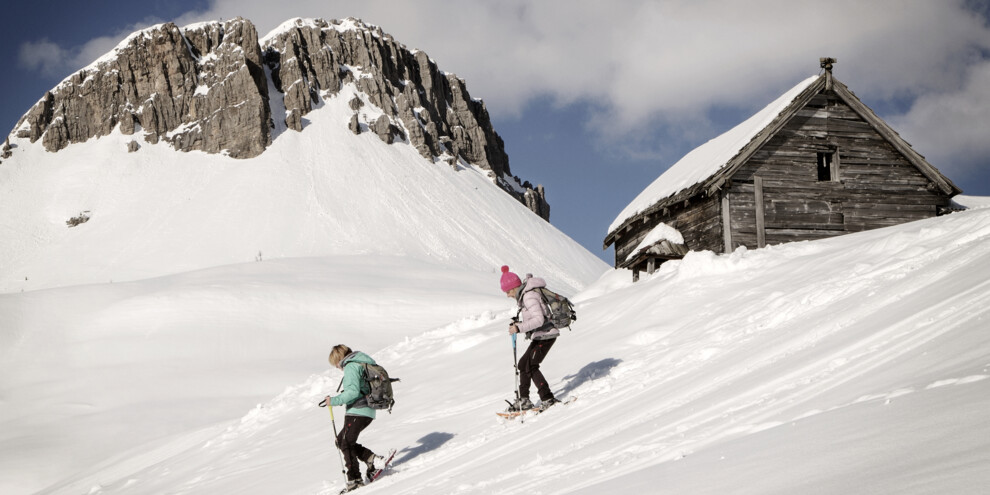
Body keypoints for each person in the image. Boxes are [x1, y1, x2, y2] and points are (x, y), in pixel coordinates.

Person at [501, 265, 561, 412]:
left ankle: (548, 398)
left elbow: (539, 320)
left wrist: (519, 328)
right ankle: (524, 399)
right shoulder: (526, 296)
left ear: (514, 288)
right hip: (541, 334)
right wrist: (519, 324)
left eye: (508, 291)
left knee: (531, 366)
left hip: (546, 334)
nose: (508, 295)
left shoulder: (528, 296)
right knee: (523, 364)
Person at [325, 345, 384, 492]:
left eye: (336, 364)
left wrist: (333, 401)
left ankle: (355, 480)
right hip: (366, 410)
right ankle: (370, 459)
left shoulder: (351, 366)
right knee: (341, 440)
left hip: (358, 410)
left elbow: (352, 392)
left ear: (339, 359)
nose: (338, 367)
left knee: (346, 443)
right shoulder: (360, 362)